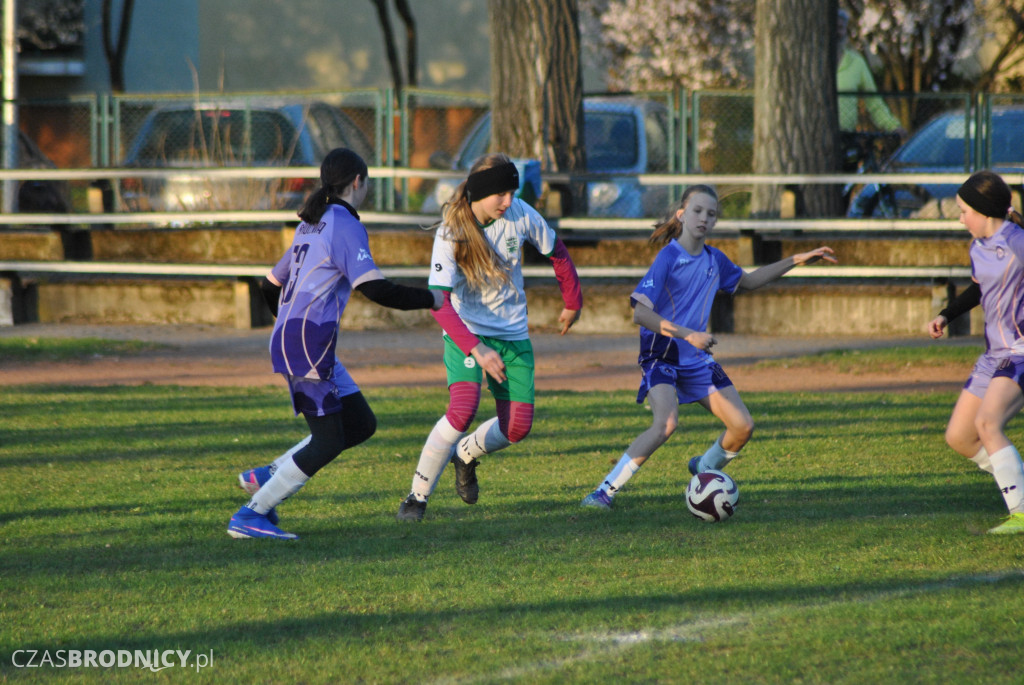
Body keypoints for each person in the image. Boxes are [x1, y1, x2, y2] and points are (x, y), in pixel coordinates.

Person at [227, 148, 443, 539]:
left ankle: (268, 474)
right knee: (328, 441)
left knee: (359, 424)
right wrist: (431, 299)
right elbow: (375, 288)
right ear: (358, 181)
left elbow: (268, 284)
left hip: (304, 341)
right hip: (309, 343)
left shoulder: (311, 222)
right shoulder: (343, 223)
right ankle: (252, 514)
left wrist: (292, 326)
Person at [580, 184, 836, 510]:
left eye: (711, 214)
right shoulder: (669, 256)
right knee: (666, 424)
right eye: (697, 211)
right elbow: (641, 312)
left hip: (696, 358)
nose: (704, 218)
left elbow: (750, 281)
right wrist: (688, 334)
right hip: (663, 355)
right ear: (681, 214)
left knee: (742, 427)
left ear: (715, 222)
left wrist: (797, 260)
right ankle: (604, 492)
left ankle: (704, 469)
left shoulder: (715, 259)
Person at [396, 153, 583, 521]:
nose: (508, 202)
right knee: (462, 410)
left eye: (512, 192)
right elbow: (440, 304)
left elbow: (557, 252)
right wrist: (476, 347)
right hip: (467, 333)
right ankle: (416, 498)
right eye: (500, 193)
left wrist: (573, 300)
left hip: (512, 335)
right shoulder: (452, 231)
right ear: (480, 192)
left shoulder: (521, 214)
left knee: (517, 427)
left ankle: (465, 454)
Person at [927, 170, 1024, 535]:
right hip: (992, 355)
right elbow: (978, 290)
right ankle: (1015, 481)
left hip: (1019, 352)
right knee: (960, 437)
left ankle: (1022, 511)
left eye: (963, 210)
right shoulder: (977, 247)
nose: (960, 217)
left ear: (984, 212)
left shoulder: (1016, 241)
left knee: (987, 424)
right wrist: (946, 314)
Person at [836, 9, 904, 137]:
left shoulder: (856, 62)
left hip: (845, 137)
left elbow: (873, 101)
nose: (836, 32)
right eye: (833, 27)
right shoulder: (813, 63)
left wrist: (892, 126)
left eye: (840, 27)